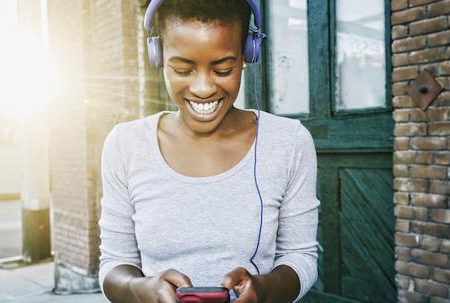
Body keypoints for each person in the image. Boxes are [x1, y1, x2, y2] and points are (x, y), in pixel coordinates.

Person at [98, 1, 319, 302]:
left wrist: (265, 289)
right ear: (158, 56)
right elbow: (113, 264)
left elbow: (300, 257)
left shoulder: (290, 142)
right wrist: (141, 288)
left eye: (223, 68)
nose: (202, 88)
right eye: (182, 69)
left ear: (247, 55)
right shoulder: (125, 144)